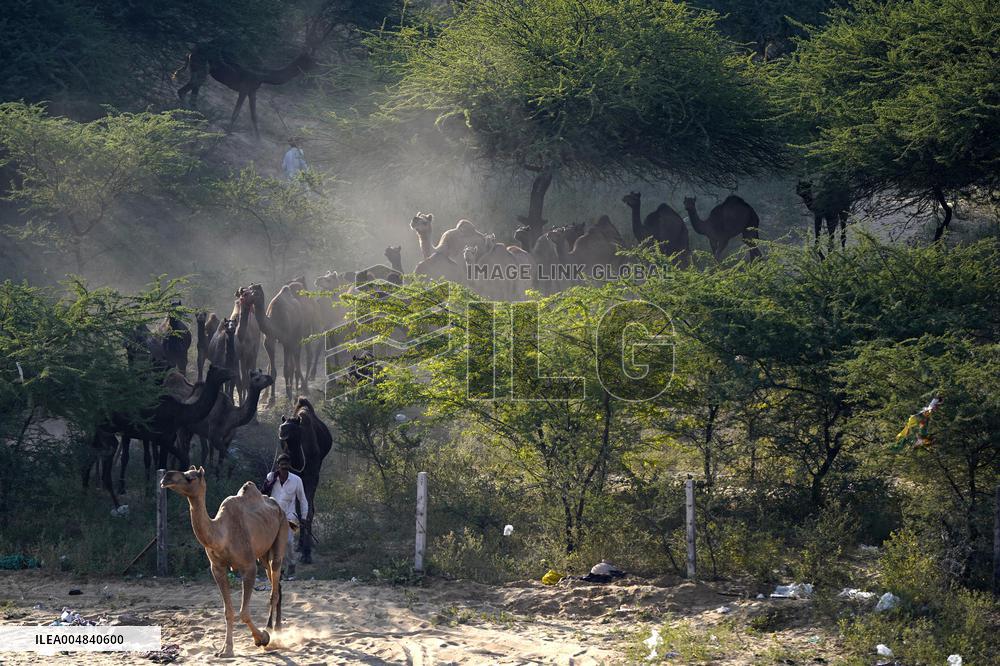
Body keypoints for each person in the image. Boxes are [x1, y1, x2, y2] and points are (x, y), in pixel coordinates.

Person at [264, 453, 308, 576]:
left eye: (286, 465)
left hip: (290, 517)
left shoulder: (296, 480)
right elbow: (264, 493)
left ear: (289, 466)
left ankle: (292, 564)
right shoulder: (271, 477)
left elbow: (303, 499)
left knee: (288, 541)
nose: (284, 467)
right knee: (274, 543)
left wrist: (304, 517)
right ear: (278, 466)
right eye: (282, 465)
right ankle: (279, 570)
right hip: (272, 516)